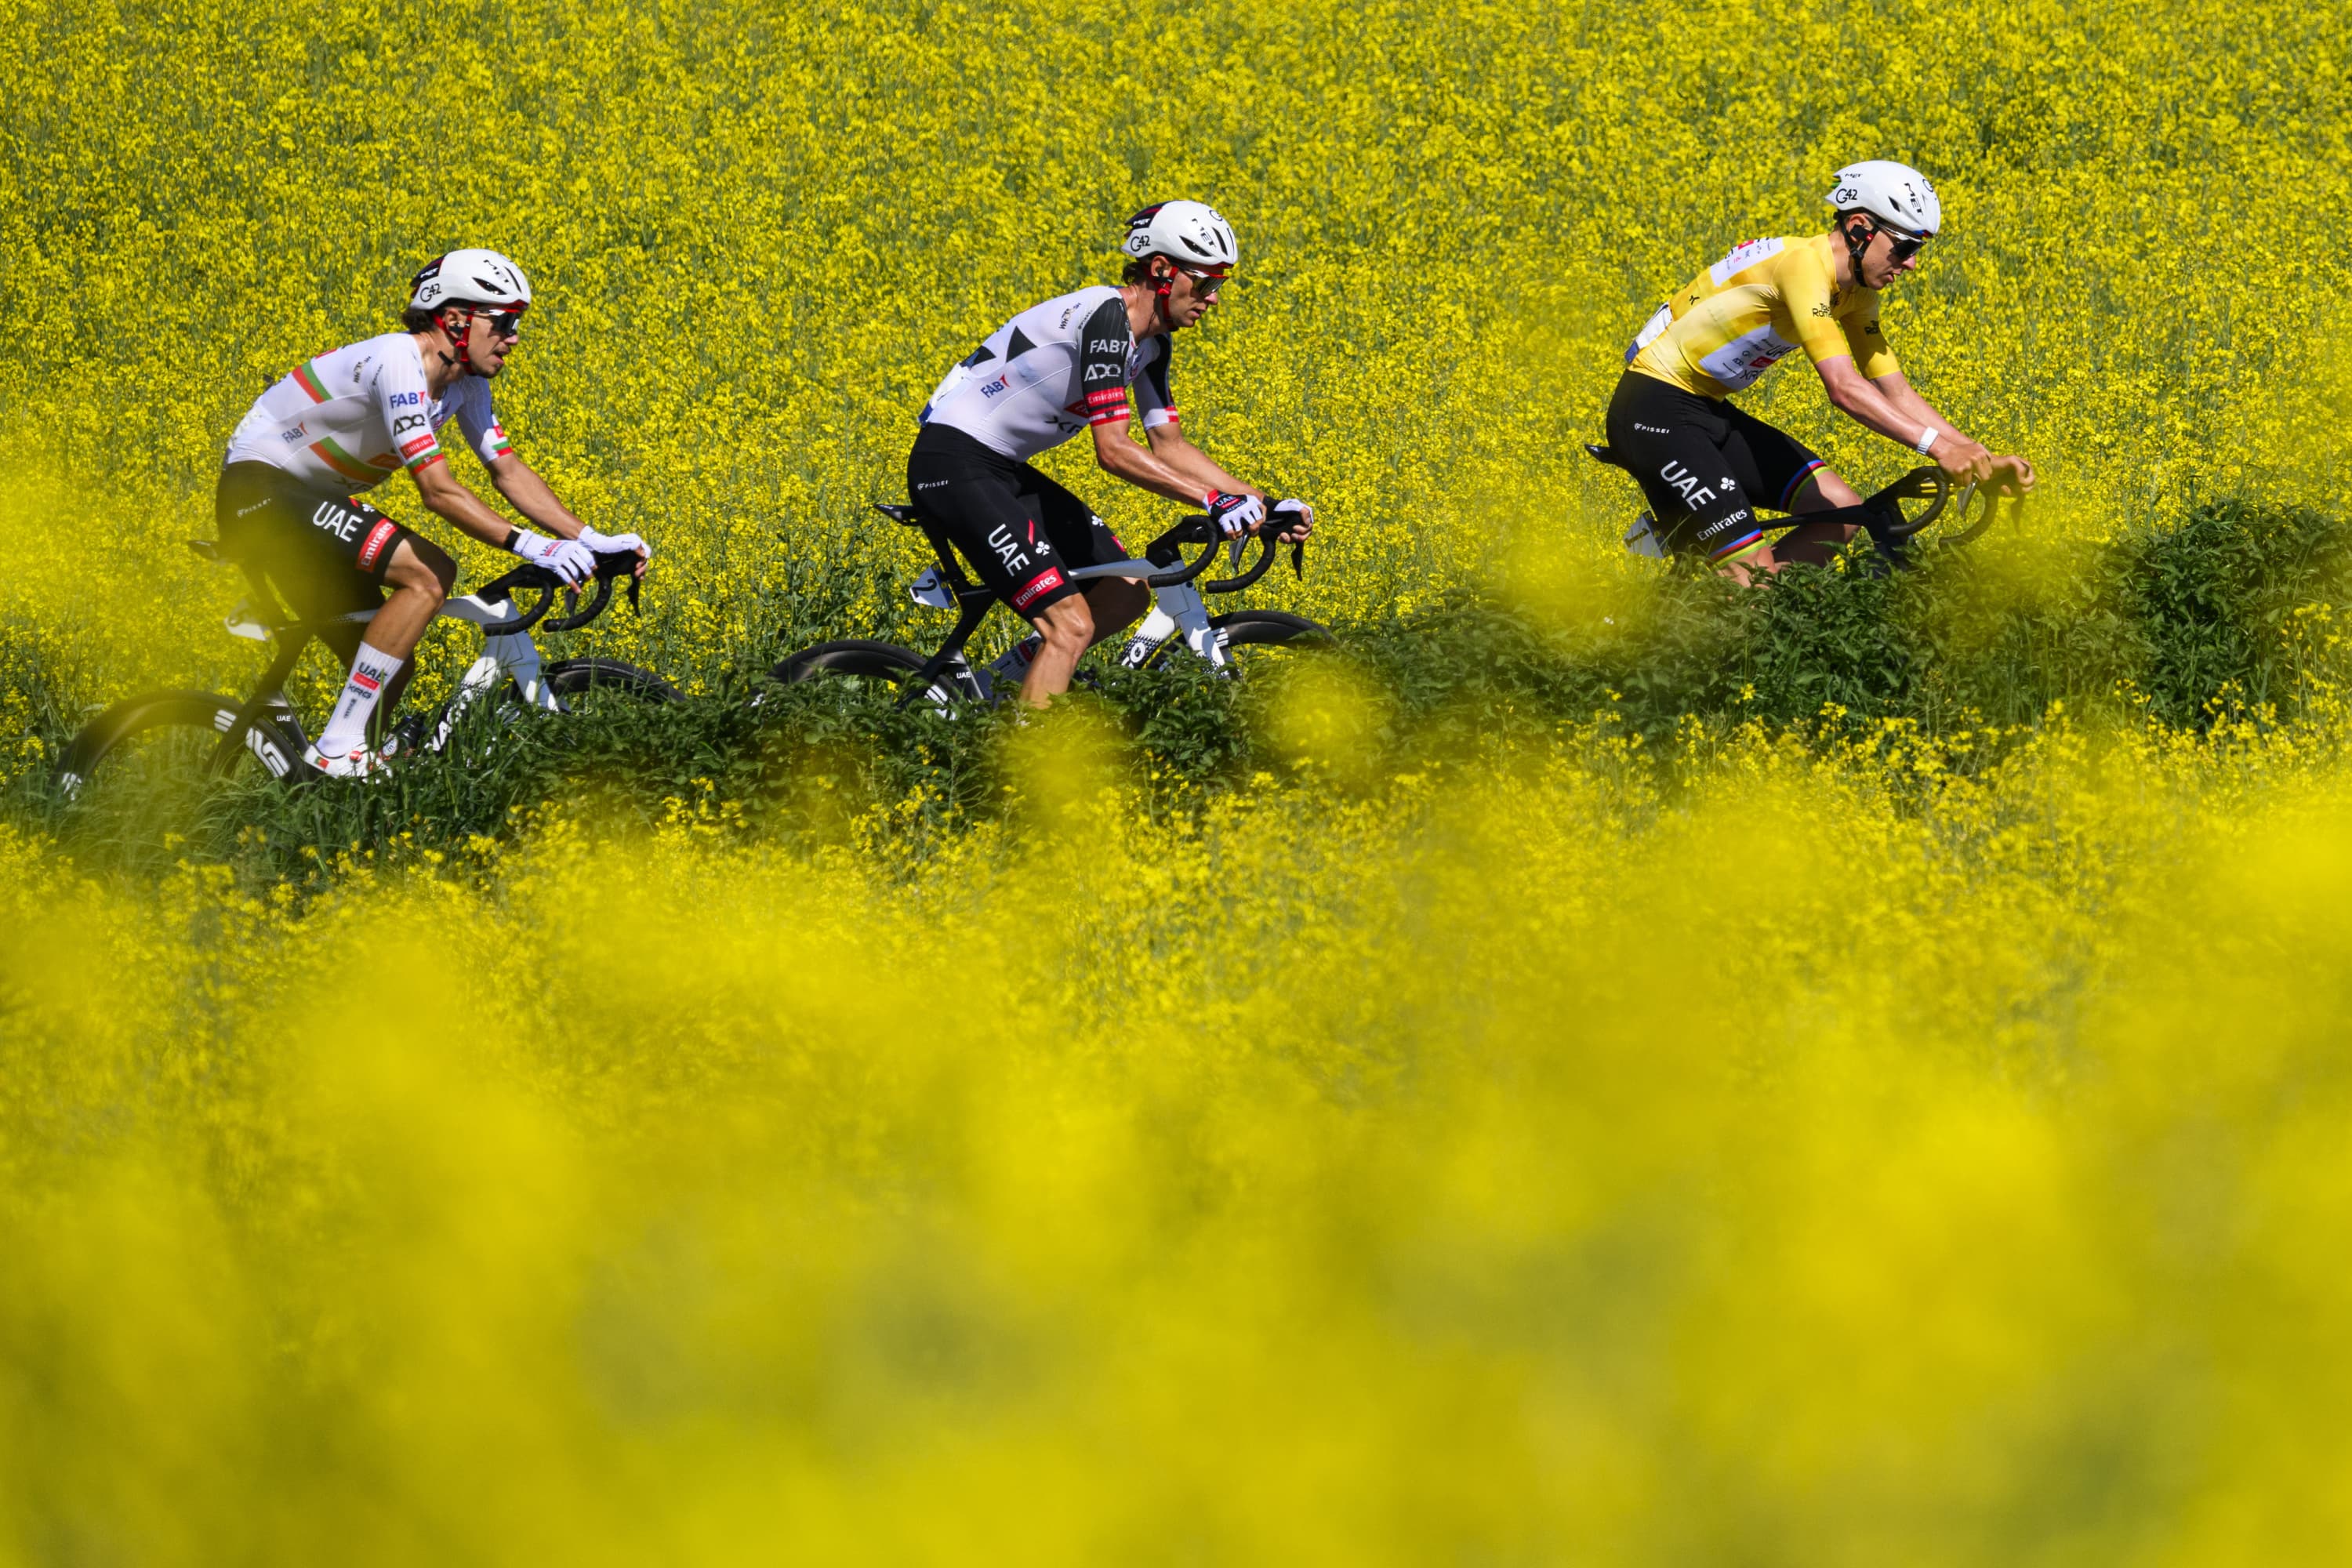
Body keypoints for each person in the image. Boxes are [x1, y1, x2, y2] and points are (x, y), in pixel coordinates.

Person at [215, 249, 646, 776]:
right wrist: (538, 547)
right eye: (505, 321)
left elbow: (506, 470)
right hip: (261, 491)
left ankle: (335, 790)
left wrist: (589, 538)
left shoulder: (466, 384)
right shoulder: (399, 361)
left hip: (312, 503)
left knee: (392, 665)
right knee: (429, 575)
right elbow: (437, 491)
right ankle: (339, 751)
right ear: (456, 318)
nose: (514, 337)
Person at [906, 201, 1315, 707]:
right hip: (953, 462)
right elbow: (1114, 450)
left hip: (1000, 468)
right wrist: (1214, 501)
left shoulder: (1152, 347)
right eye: (1204, 283)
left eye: (1219, 287)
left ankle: (1002, 689)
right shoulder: (1106, 319)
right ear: (1162, 270)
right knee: (1071, 626)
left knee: (1125, 590)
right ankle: (1023, 772)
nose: (1211, 299)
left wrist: (1262, 503)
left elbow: (1171, 446)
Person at [1602, 162, 2035, 583]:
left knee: (1840, 514)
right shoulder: (1803, 266)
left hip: (1707, 411)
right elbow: (1844, 389)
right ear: (1861, 229)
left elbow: (1896, 391)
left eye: (1918, 251)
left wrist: (1976, 454)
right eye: (1904, 247)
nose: (1911, 265)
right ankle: (1738, 607)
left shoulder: (1856, 294)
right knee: (1752, 578)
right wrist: (1939, 450)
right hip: (1652, 410)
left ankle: (1739, 609)